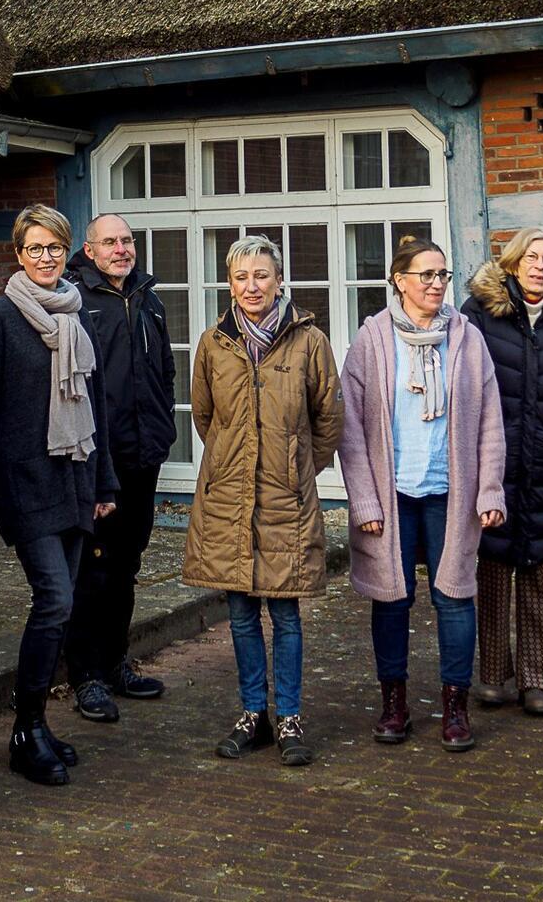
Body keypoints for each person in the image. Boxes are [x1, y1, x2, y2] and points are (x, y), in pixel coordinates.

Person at [338, 237, 506, 752]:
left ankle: (455, 706)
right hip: (391, 496)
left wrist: (489, 489)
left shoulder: (467, 339)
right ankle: (394, 704)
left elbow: (490, 421)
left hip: (449, 494)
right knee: (391, 599)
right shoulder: (372, 339)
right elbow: (349, 428)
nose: (436, 284)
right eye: (426, 275)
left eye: (442, 275)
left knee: (454, 597)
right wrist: (364, 500)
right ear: (400, 281)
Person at [0, 204, 118, 786]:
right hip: (25, 485)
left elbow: (95, 406)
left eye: (55, 248)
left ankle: (35, 723)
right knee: (54, 598)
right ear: (18, 254)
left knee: (65, 603)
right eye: (35, 249)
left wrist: (104, 481)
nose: (46, 258)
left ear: (68, 253)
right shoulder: (0, 320)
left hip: (75, 479)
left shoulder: (78, 317)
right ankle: (24, 729)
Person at [184, 235, 343, 768]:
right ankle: (253, 714)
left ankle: (291, 716)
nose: (251, 286)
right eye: (240, 277)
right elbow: (206, 419)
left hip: (284, 498)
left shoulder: (309, 341)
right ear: (230, 284)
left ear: (280, 280)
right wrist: (236, 462)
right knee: (242, 613)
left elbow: (328, 420)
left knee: (287, 614)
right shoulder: (214, 343)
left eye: (261, 276)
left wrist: (296, 466)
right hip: (228, 498)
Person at [461, 225, 543, 717]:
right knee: (492, 570)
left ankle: (536, 681)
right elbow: (463, 379)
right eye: (532, 258)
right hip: (491, 460)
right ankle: (493, 677)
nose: (541, 266)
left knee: (536, 570)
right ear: (513, 263)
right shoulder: (481, 315)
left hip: (540, 462)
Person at [64, 212, 177, 723]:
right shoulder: (75, 303)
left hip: (142, 457)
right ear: (89, 250)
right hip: (96, 461)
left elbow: (165, 373)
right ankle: (85, 674)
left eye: (127, 241)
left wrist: (163, 434)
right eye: (109, 242)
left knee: (128, 564)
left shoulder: (149, 299)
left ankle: (114, 664)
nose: (120, 249)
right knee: (94, 569)